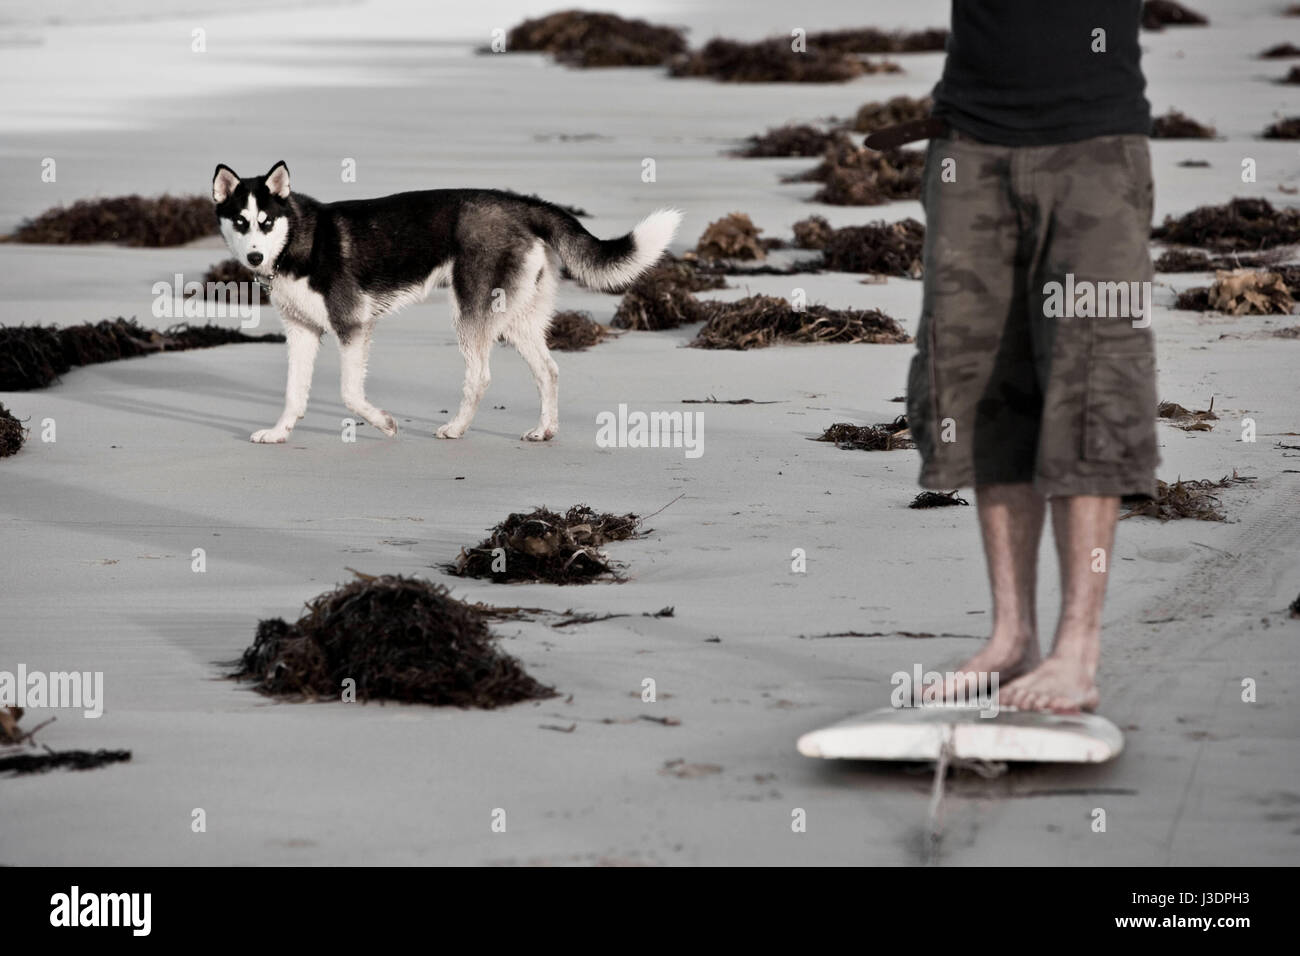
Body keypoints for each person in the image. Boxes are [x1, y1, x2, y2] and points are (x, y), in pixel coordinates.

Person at [905, 0, 1158, 712]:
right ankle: (1011, 637)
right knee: (981, 381)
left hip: (1095, 145)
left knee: (1094, 385)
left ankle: (1077, 650)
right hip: (968, 143)